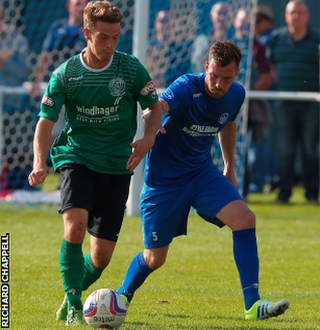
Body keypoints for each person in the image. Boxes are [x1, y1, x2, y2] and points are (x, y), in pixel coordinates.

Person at [117, 40, 290, 321]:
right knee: (155, 258)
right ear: (206, 66)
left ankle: (253, 305)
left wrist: (230, 166)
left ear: (236, 74)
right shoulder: (187, 86)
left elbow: (229, 123)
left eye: (227, 78)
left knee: (245, 219)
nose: (219, 83)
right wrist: (150, 127)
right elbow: (160, 105)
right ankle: (122, 295)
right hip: (164, 182)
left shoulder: (236, 94)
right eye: (214, 75)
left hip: (201, 173)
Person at [28, 0, 163, 326]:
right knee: (74, 228)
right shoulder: (67, 74)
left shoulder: (130, 69)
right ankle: (76, 305)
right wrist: (39, 162)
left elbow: (154, 107)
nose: (110, 44)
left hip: (118, 164)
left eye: (116, 37)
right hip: (77, 158)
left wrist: (148, 138)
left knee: (101, 257)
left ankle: (71, 292)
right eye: (103, 37)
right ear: (87, 33)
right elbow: (45, 123)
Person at [269, 0, 320, 204]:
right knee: (286, 149)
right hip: (283, 102)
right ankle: (284, 194)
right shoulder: (276, 39)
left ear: (307, 16)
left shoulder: (317, 39)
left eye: (300, 13)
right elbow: (271, 68)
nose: (295, 16)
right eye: (292, 13)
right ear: (286, 15)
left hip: (312, 104)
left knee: (309, 149)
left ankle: (311, 194)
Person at [233, 8, 273, 196]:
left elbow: (266, 78)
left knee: (247, 149)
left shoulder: (259, 47)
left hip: (248, 107)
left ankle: (245, 189)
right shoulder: (226, 44)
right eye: (242, 21)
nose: (245, 25)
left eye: (249, 21)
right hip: (220, 103)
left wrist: (243, 95)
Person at [0, 6, 33, 190]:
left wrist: (5, 63)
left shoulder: (16, 40)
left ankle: (11, 183)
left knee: (11, 145)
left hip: (10, 104)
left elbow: (26, 70)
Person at [31, 0, 88, 95]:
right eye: (78, 4)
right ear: (68, 6)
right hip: (57, 81)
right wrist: (37, 81)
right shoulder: (57, 27)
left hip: (81, 86)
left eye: (85, 4)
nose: (82, 8)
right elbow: (45, 55)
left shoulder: (90, 31)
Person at [147, 10, 192, 88]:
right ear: (155, 24)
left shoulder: (179, 49)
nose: (166, 24)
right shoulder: (149, 47)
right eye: (162, 21)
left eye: (169, 21)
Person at [191, 2, 234, 73]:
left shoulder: (235, 44)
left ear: (230, 18)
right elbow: (196, 66)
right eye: (219, 13)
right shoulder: (202, 41)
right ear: (211, 16)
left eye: (225, 13)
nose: (222, 17)